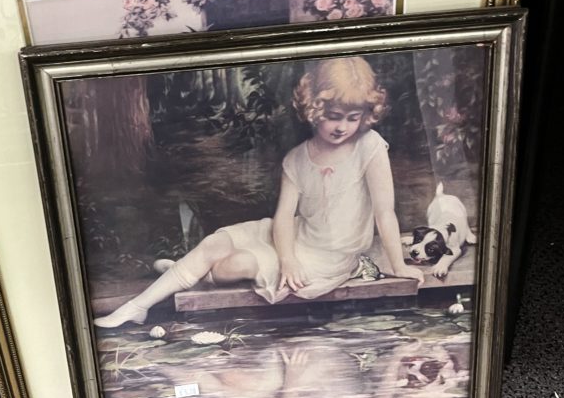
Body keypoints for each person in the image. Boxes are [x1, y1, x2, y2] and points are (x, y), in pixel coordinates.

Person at [94, 55, 423, 328]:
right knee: (214, 243)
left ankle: (190, 274)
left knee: (231, 267)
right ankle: (137, 307)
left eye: (353, 118)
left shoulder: (370, 146)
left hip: (327, 259)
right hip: (293, 238)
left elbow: (384, 211)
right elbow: (282, 217)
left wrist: (397, 264)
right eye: (333, 117)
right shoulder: (296, 158)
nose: (342, 127)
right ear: (314, 109)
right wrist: (287, 257)